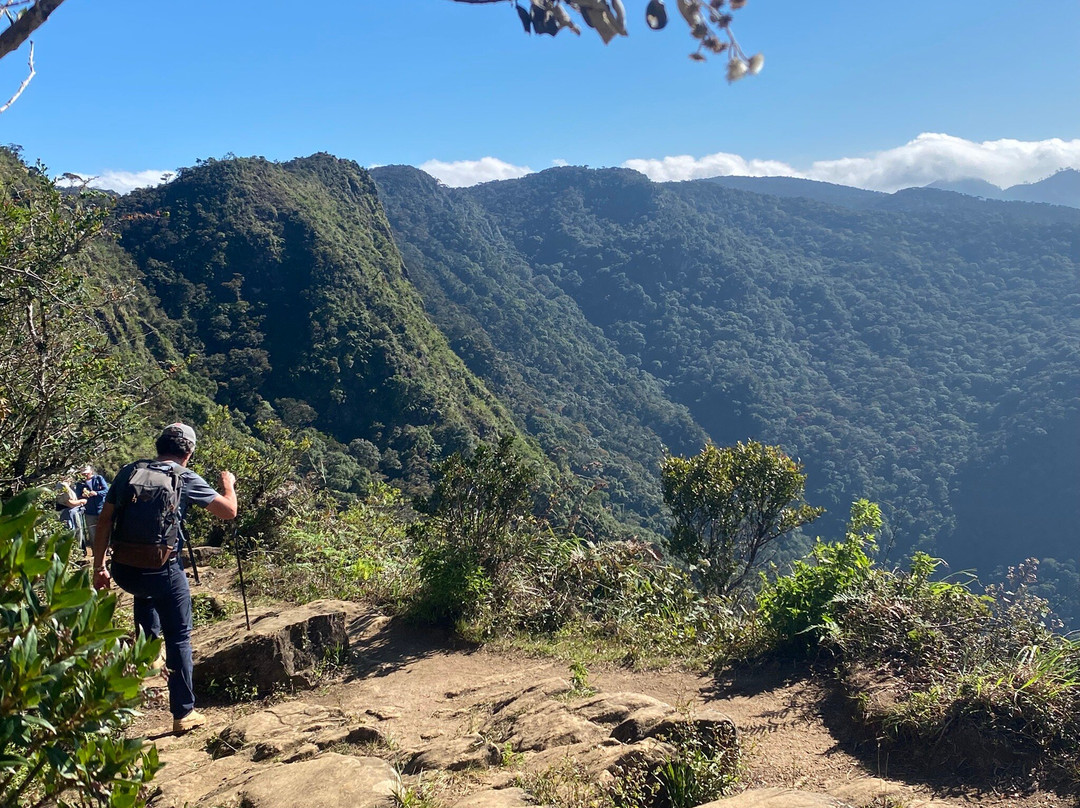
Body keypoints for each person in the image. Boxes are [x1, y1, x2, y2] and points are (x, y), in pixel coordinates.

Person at [92, 422, 237, 735]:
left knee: (145, 594)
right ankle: (183, 713)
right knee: (180, 636)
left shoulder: (129, 471)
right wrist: (228, 485)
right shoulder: (183, 476)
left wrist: (99, 566)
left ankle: (148, 653)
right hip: (162, 571)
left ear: (158, 447)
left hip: (124, 571)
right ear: (189, 453)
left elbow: (104, 521)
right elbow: (228, 512)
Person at [74, 464, 109, 552]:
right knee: (92, 532)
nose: (85, 475)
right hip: (89, 511)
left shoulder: (98, 479)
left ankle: (106, 550)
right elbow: (77, 495)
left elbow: (106, 490)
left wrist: (96, 493)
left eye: (86, 473)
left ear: (91, 472)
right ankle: (95, 551)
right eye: (83, 474)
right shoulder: (80, 483)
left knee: (104, 531)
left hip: (101, 509)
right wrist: (82, 495)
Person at [54, 475, 87, 550]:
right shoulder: (63, 485)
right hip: (69, 513)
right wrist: (81, 501)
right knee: (74, 532)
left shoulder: (62, 485)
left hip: (70, 512)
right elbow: (69, 503)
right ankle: (77, 551)